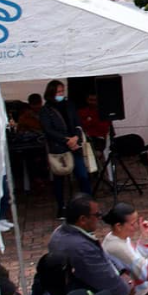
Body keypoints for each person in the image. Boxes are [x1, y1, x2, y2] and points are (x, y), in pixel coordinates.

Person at [47, 195, 131, 295]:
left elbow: (102, 255)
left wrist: (121, 270)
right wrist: (126, 287)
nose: (99, 217)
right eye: (97, 214)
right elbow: (109, 283)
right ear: (83, 219)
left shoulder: (59, 232)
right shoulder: (82, 247)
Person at [40, 80, 91, 218]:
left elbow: (77, 123)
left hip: (74, 145)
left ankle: (87, 205)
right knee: (59, 178)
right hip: (59, 148)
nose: (61, 94)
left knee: (83, 175)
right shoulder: (46, 110)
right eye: (58, 92)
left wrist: (76, 137)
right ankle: (61, 206)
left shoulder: (69, 105)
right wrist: (66, 139)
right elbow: (48, 129)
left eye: (62, 91)